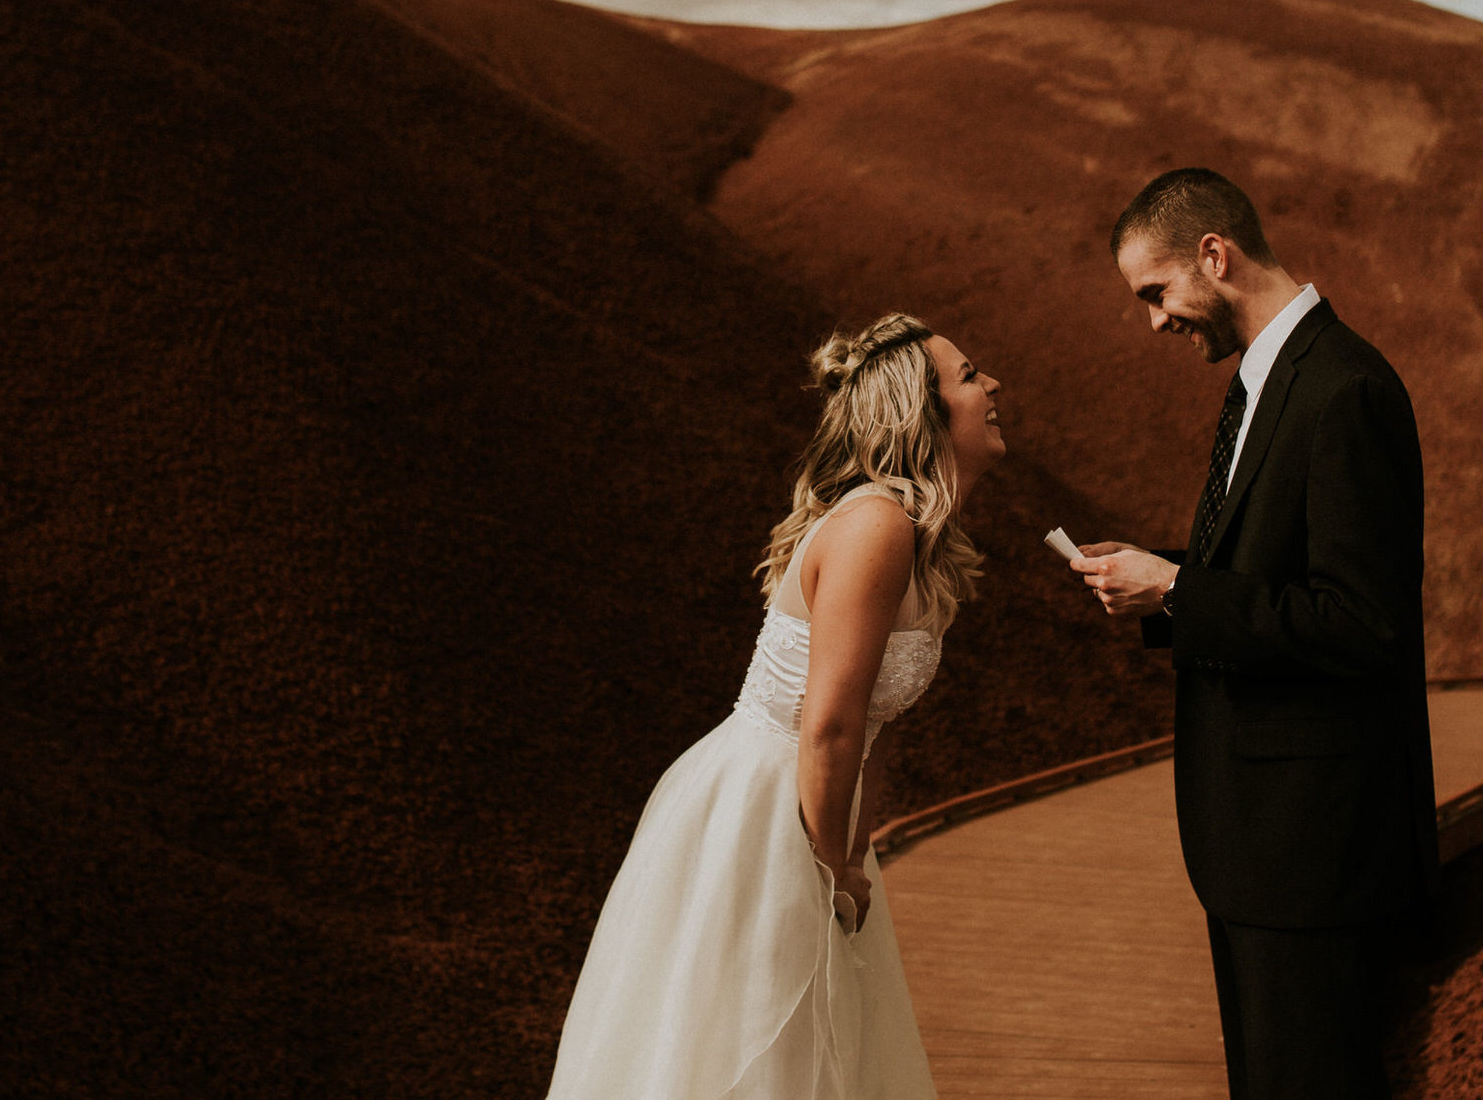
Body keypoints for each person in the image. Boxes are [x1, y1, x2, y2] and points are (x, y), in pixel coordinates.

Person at [545, 312, 1004, 1100]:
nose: (991, 384)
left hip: (821, 809)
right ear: (920, 413)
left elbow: (873, 727)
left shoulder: (921, 539)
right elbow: (828, 725)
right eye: (967, 376)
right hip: (771, 810)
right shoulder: (877, 524)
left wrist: (857, 861)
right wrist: (828, 870)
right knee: (753, 1035)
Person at [1072, 168, 1436, 1100]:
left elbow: (1363, 623)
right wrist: (1157, 584)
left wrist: (1181, 591)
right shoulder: (1267, 380)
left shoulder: (1343, 389)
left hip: (1312, 855)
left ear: (1213, 254)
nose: (1155, 321)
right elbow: (1268, 579)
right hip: (1259, 850)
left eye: (1156, 293)